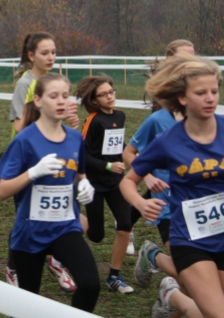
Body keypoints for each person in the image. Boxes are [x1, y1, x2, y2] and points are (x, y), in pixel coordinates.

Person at [120, 54, 224, 318]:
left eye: (214, 90)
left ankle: (171, 295)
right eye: (201, 92)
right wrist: (140, 202)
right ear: (182, 98)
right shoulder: (168, 141)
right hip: (191, 240)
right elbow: (128, 181)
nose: (211, 98)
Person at [0, 73, 100, 312]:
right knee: (27, 305)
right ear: (39, 101)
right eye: (54, 96)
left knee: (90, 284)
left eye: (65, 95)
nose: (61, 101)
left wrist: (84, 185)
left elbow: (79, 173)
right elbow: (1, 191)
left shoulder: (74, 138)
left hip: (65, 227)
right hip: (31, 231)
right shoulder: (24, 141)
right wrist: (32, 173)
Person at [5, 31, 78, 291]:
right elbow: (19, 127)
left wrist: (67, 120)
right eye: (45, 52)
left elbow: (68, 128)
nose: (51, 57)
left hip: (59, 158)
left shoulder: (55, 84)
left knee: (60, 213)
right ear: (31, 55)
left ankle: (57, 261)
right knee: (28, 218)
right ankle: (14, 266)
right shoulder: (26, 85)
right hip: (29, 161)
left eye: (54, 52)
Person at [124, 39, 196, 257]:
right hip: (168, 197)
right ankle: (129, 230)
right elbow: (130, 152)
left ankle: (126, 222)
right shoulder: (160, 116)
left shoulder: (201, 106)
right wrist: (146, 175)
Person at [75, 75, 134, 294]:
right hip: (95, 183)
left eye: (112, 91)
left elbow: (117, 145)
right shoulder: (93, 120)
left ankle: (114, 276)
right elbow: (82, 153)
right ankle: (70, 216)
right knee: (96, 235)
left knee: (125, 225)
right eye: (104, 94)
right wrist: (108, 167)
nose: (110, 96)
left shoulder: (120, 115)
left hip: (116, 183)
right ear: (94, 99)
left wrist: (132, 156)